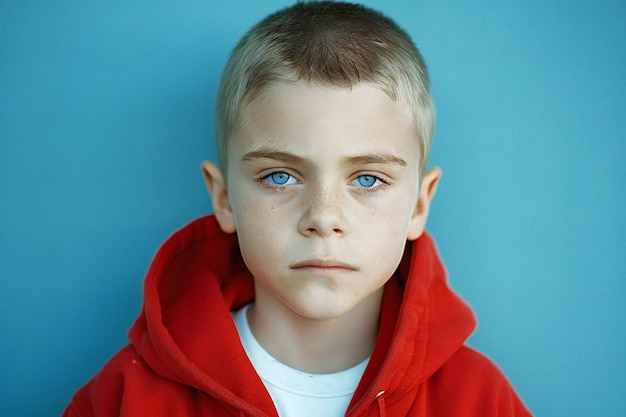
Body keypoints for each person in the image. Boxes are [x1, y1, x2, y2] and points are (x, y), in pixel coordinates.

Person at [63, 1, 532, 416]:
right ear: (223, 197)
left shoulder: (479, 400)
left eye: (367, 179)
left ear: (419, 205)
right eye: (280, 176)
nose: (323, 218)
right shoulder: (124, 399)